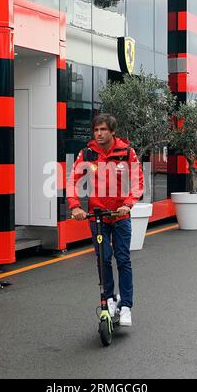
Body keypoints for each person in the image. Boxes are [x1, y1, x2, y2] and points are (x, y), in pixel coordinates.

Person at [67, 114, 144, 326]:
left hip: (120, 216)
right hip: (98, 217)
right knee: (103, 259)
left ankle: (126, 306)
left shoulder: (126, 152)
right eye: (96, 130)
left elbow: (138, 182)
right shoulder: (87, 154)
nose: (99, 134)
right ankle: (109, 300)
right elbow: (72, 181)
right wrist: (75, 206)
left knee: (123, 259)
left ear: (112, 132)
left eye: (103, 130)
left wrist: (127, 205)